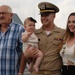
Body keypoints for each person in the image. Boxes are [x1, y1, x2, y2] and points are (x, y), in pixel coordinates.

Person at [18, 2, 65, 75]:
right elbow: (24, 54)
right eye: (42, 15)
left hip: (54, 73)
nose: (43, 18)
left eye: (46, 15)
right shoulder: (33, 34)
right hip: (37, 72)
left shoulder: (62, 33)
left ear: (54, 16)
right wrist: (26, 56)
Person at [0, 5, 25, 75]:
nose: (1, 16)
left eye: (3, 13)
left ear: (11, 15)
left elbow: (24, 53)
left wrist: (20, 72)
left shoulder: (20, 29)